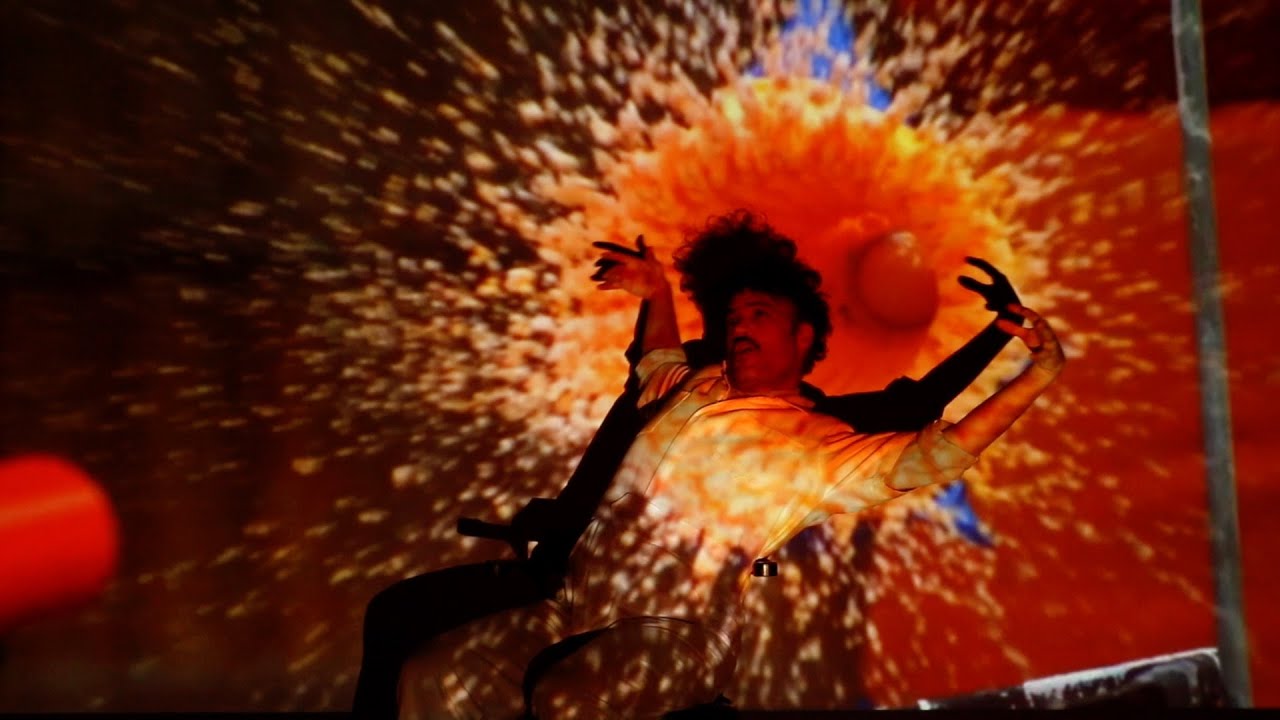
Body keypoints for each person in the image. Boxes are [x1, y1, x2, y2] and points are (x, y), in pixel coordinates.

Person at [394, 212, 1065, 718]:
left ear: (803, 337)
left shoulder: (815, 439)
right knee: (435, 681)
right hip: (574, 604)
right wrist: (656, 291)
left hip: (670, 632)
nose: (739, 324)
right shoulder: (695, 383)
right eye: (734, 314)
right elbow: (654, 360)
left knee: (570, 702)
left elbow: (933, 442)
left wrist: (1028, 368)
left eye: (759, 313)